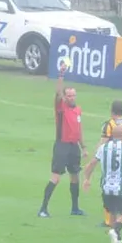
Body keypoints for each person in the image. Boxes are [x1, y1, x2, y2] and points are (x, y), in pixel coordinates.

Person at [39, 62, 87, 217]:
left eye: (74, 95)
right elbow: (58, 92)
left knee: (75, 176)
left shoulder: (78, 110)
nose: (72, 98)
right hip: (62, 146)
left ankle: (75, 208)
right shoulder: (61, 107)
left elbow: (78, 130)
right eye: (69, 95)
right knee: (56, 177)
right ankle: (43, 208)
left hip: (74, 147)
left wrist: (84, 147)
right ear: (65, 97)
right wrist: (61, 74)